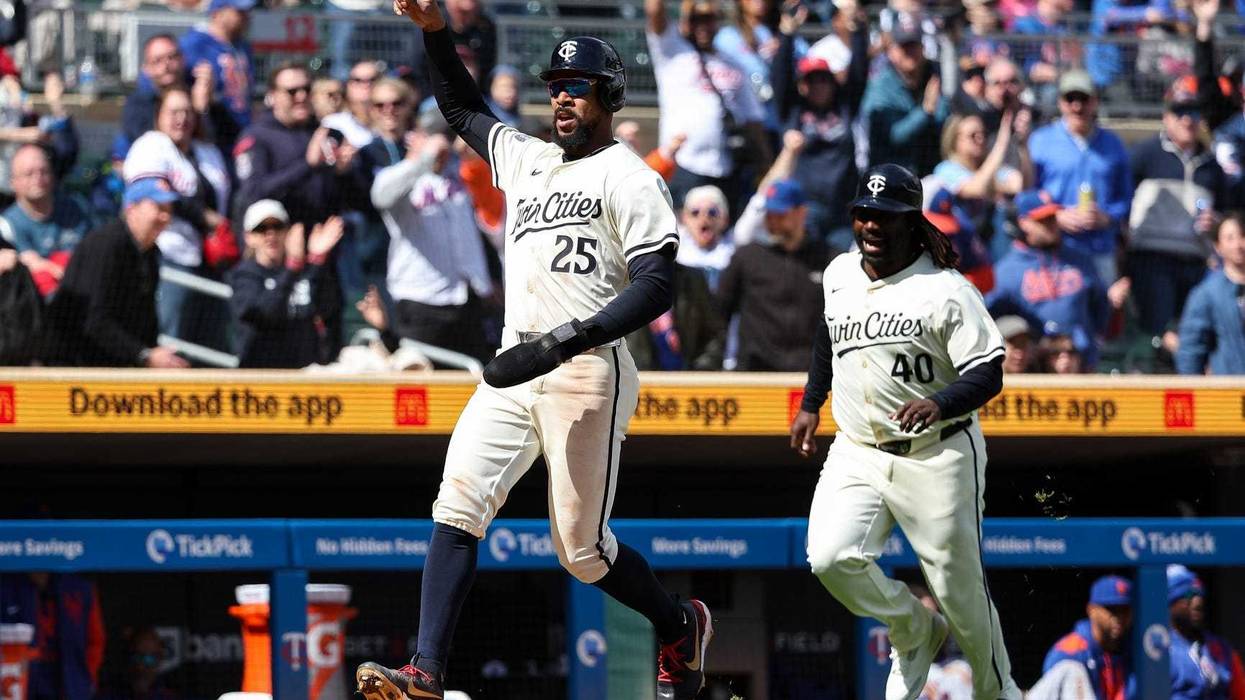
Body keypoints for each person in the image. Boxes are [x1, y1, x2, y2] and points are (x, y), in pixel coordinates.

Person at [355, 3, 712, 700]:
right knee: (456, 505)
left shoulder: (630, 176)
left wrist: (562, 342)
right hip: (516, 364)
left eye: (576, 85)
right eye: (555, 85)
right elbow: (462, 111)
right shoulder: (527, 157)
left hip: (585, 366)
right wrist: (433, 31)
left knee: (581, 553)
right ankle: (426, 671)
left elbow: (657, 286)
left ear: (608, 96)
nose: (561, 97)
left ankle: (678, 624)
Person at [791, 163, 1021, 700]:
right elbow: (828, 338)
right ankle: (914, 628)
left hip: (936, 453)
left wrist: (939, 403)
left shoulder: (945, 289)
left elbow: (989, 372)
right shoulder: (838, 274)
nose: (871, 225)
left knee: (959, 593)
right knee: (829, 557)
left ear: (912, 222)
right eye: (863, 214)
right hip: (857, 449)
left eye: (885, 216)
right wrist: (810, 403)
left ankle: (998, 692)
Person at [370, 124, 497, 364]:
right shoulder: (401, 177)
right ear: (415, 138)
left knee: (473, 384)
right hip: (420, 302)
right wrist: (423, 159)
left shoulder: (459, 175)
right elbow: (381, 196)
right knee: (421, 388)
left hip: (467, 300)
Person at [125, 87, 235, 353]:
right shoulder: (150, 145)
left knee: (212, 342)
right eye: (174, 112)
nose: (182, 118)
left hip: (212, 260)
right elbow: (152, 195)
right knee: (173, 338)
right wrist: (205, 217)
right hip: (169, 256)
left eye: (187, 112)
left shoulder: (207, 152)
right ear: (158, 116)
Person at [41, 178, 189, 368]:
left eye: (168, 210)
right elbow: (92, 319)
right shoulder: (105, 245)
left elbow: (146, 317)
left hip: (120, 364)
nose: (165, 217)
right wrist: (143, 355)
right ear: (131, 208)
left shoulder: (150, 253)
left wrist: (152, 355)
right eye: (158, 208)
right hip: (77, 367)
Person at [1125, 75, 1227, 339]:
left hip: (1196, 261)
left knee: (1193, 332)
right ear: (1166, 117)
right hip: (1152, 258)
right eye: (1179, 111)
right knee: (1158, 334)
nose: (1187, 119)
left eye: (1193, 112)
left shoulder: (1212, 166)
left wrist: (1215, 223)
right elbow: (1121, 202)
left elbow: (1228, 216)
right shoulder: (1144, 154)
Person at [645, 0, 770, 211]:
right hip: (685, 164)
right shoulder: (672, 49)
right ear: (685, 20)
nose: (702, 25)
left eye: (709, 19)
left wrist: (765, 165)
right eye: (696, 19)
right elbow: (655, 10)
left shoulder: (732, 63)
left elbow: (753, 121)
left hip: (726, 167)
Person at [772, 2, 867, 251]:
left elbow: (859, 72)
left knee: (839, 267)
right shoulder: (793, 109)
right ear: (803, 85)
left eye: (824, 80)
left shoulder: (845, 106)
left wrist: (857, 30)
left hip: (842, 210)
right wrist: (787, 33)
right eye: (812, 81)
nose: (819, 86)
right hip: (804, 208)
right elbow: (780, 77)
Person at [718, 177, 834, 371]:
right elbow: (719, 313)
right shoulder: (747, 257)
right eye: (768, 214)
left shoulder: (830, 259)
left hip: (810, 375)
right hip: (755, 371)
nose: (772, 221)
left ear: (801, 213)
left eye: (780, 215)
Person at [1027, 69, 1133, 284]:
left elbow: (1126, 195)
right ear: (1060, 102)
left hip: (1100, 248)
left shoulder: (1113, 144)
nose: (1077, 106)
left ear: (1094, 102)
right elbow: (1028, 195)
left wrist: (1108, 217)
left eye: (1083, 99)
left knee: (1103, 311)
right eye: (1070, 99)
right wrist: (1055, 217)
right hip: (1057, 249)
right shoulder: (1040, 141)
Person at [986, 190, 1109, 368]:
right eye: (1043, 220)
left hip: (1078, 364)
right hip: (1034, 370)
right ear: (1023, 223)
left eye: (1053, 218)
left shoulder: (1080, 259)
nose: (1051, 224)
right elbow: (987, 318)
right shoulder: (1006, 270)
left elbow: (1100, 308)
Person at [228, 201, 344, 368]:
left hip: (304, 375)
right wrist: (292, 269)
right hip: (262, 377)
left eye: (277, 226)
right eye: (261, 229)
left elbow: (326, 308)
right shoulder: (245, 275)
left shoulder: (304, 270)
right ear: (249, 237)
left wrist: (318, 262)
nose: (271, 234)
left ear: (288, 231)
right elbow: (262, 313)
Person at [859, 11, 950, 176]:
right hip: (890, 176)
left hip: (928, 172)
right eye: (904, 47)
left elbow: (944, 121)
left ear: (923, 48)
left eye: (913, 45)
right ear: (891, 52)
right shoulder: (881, 86)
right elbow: (893, 136)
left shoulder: (933, 76)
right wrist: (925, 111)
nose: (910, 52)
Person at [0, 144, 91, 298]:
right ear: (13, 182)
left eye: (44, 171)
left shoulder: (76, 208)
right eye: (29, 174)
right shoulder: (5, 226)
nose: (38, 178)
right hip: (35, 305)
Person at [0, 573, 106, 700]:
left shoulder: (79, 588)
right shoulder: (6, 587)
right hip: (18, 681)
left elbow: (95, 640)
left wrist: (86, 677)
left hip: (69, 682)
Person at [121, 34, 220, 158]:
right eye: (157, 61)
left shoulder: (197, 94)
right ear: (146, 68)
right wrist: (197, 111)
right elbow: (148, 145)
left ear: (183, 60)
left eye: (172, 57)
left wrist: (204, 104)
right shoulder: (139, 104)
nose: (166, 65)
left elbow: (212, 141)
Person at [1038, 575, 1136, 699]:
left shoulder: (1139, 648)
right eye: (1111, 609)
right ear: (1091, 610)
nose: (1119, 617)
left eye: (1125, 610)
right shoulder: (1069, 652)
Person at [179, 0, 256, 153]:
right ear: (217, 13)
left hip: (241, 134)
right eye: (238, 12)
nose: (246, 17)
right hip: (212, 136)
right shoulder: (194, 44)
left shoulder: (242, 45)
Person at [1176, 213, 1245, 374]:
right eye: (1230, 238)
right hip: (1228, 390)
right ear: (1218, 246)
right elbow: (1191, 348)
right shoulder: (1207, 293)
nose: (1238, 245)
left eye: (1243, 236)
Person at [1166, 564, 1245, 700]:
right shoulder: (1160, 649)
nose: (1198, 602)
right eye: (1188, 595)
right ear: (1171, 603)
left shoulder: (1220, 647)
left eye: (1199, 594)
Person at [676, 184, 734, 290]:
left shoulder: (735, 251)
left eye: (712, 212)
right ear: (684, 218)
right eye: (695, 212)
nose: (704, 217)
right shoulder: (671, 248)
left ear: (725, 220)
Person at [325, 60, 381, 148]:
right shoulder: (334, 124)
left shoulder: (393, 122)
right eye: (358, 80)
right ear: (348, 86)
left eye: (372, 79)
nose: (366, 85)